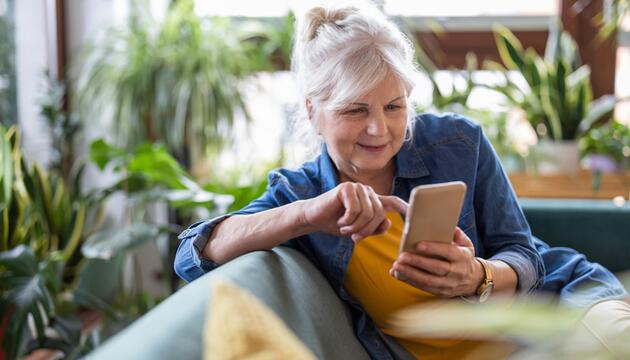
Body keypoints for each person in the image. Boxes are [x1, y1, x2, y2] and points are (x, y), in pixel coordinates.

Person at [174, 2, 629, 359]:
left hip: (558, 311)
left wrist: (479, 277)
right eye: (356, 109)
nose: (381, 130)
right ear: (312, 112)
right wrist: (310, 214)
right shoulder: (304, 194)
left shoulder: (456, 142)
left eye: (394, 106)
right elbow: (192, 254)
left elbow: (527, 254)